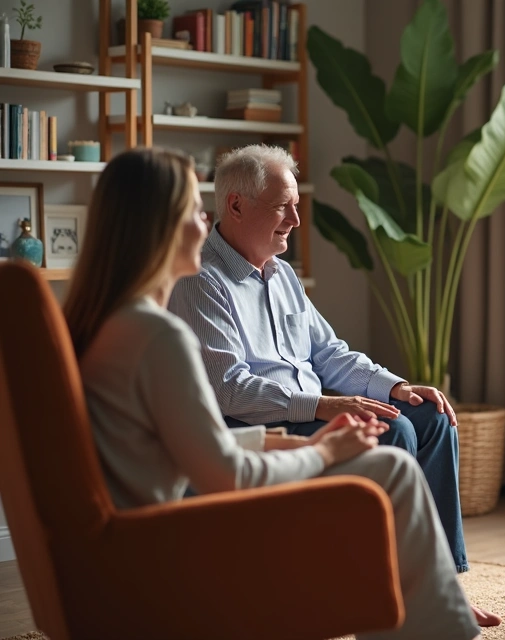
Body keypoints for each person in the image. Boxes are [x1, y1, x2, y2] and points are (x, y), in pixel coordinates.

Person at [63, 148, 482, 640]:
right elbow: (221, 437)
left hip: (200, 481)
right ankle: (397, 601)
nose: (204, 224)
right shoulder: (167, 322)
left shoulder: (115, 324)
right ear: (160, 228)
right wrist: (319, 443)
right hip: (186, 508)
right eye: (194, 213)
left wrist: (396, 388)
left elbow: (323, 357)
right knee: (392, 445)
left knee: (424, 417)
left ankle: (435, 591)